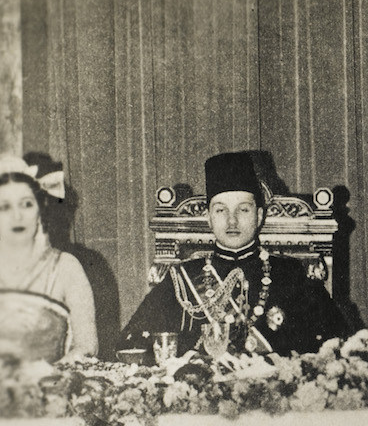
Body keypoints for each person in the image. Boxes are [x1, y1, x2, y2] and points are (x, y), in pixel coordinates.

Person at [117, 151, 350, 360]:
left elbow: (336, 343)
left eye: (243, 209)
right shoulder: (179, 279)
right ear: (209, 217)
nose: (232, 220)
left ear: (259, 216)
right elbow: (131, 344)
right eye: (220, 210)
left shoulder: (292, 276)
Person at [0, 155, 98, 363]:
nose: (17, 216)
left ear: (40, 210)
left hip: (52, 390)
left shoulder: (66, 268)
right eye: (5, 207)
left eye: (26, 204)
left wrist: (47, 379)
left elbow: (87, 346)